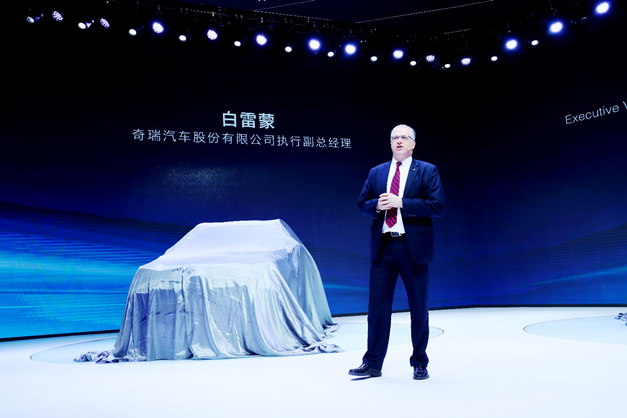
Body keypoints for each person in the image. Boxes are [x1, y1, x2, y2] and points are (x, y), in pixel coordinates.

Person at [349, 124, 445, 380]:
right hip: (383, 247)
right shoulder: (377, 172)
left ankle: (419, 362)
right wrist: (376, 205)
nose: (399, 141)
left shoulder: (427, 170)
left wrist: (402, 202)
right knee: (377, 309)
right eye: (395, 138)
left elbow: (437, 206)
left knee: (418, 308)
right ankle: (372, 363)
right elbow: (362, 204)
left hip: (413, 248)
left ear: (413, 144)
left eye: (404, 137)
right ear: (390, 143)